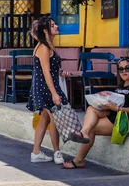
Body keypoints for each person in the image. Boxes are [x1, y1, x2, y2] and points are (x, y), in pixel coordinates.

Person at [63, 57, 129, 169]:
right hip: (115, 113)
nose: (124, 71)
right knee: (91, 109)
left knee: (91, 128)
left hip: (126, 119)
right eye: (121, 69)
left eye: (127, 68)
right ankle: (84, 132)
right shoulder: (123, 83)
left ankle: (79, 160)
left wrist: (116, 108)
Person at [27, 16, 88, 164]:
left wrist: (61, 73)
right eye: (52, 25)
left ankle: (36, 152)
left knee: (45, 118)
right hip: (46, 87)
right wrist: (54, 93)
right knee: (55, 117)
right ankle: (57, 152)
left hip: (47, 85)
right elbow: (46, 72)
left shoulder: (49, 46)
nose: (56, 26)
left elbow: (51, 70)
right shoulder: (43, 47)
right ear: (45, 30)